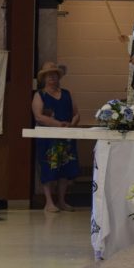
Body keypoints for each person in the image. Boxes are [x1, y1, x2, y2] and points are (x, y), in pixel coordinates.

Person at [31, 61, 80, 213]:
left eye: (54, 75)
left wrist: (71, 124)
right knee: (49, 168)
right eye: (48, 75)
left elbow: (76, 113)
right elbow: (38, 117)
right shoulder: (39, 95)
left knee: (65, 169)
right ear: (44, 78)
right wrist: (58, 124)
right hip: (48, 139)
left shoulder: (67, 93)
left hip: (66, 138)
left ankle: (62, 201)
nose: (52, 78)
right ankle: (49, 202)